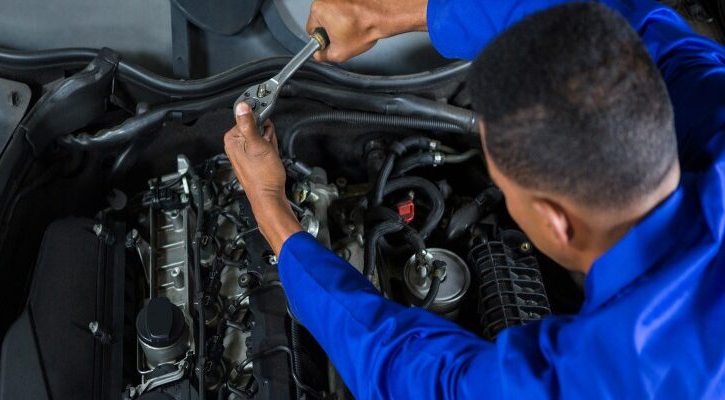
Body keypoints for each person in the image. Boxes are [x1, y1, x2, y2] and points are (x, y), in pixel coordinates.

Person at [223, 0, 725, 398]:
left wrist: (271, 208)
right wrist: (380, 16)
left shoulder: (613, 376)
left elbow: (415, 375)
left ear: (556, 221)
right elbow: (623, 28)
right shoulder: (707, 97)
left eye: (505, 190)